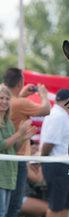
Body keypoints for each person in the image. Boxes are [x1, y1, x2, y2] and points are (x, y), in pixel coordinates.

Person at [3, 67, 51, 217]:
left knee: (6, 203)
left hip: (9, 155)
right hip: (19, 157)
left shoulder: (10, 102)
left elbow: (13, 104)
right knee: (13, 204)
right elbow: (46, 109)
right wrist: (43, 94)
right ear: (19, 83)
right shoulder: (20, 103)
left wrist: (22, 94)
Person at [0, 85, 36, 217]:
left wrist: (23, 138)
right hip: (1, 174)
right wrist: (19, 133)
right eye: (1, 98)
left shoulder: (8, 122)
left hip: (9, 174)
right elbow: (1, 145)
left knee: (7, 210)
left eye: (7, 99)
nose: (4, 101)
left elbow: (13, 148)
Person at [40, 88, 69, 217]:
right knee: (56, 206)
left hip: (62, 166)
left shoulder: (61, 115)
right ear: (68, 101)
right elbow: (49, 142)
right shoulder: (58, 115)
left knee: (64, 204)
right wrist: (42, 159)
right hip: (56, 165)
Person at [20, 140, 48, 217]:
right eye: (33, 148)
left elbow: (43, 181)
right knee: (52, 210)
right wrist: (44, 161)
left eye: (38, 148)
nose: (36, 151)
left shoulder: (35, 165)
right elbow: (37, 179)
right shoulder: (25, 163)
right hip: (23, 198)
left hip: (35, 197)